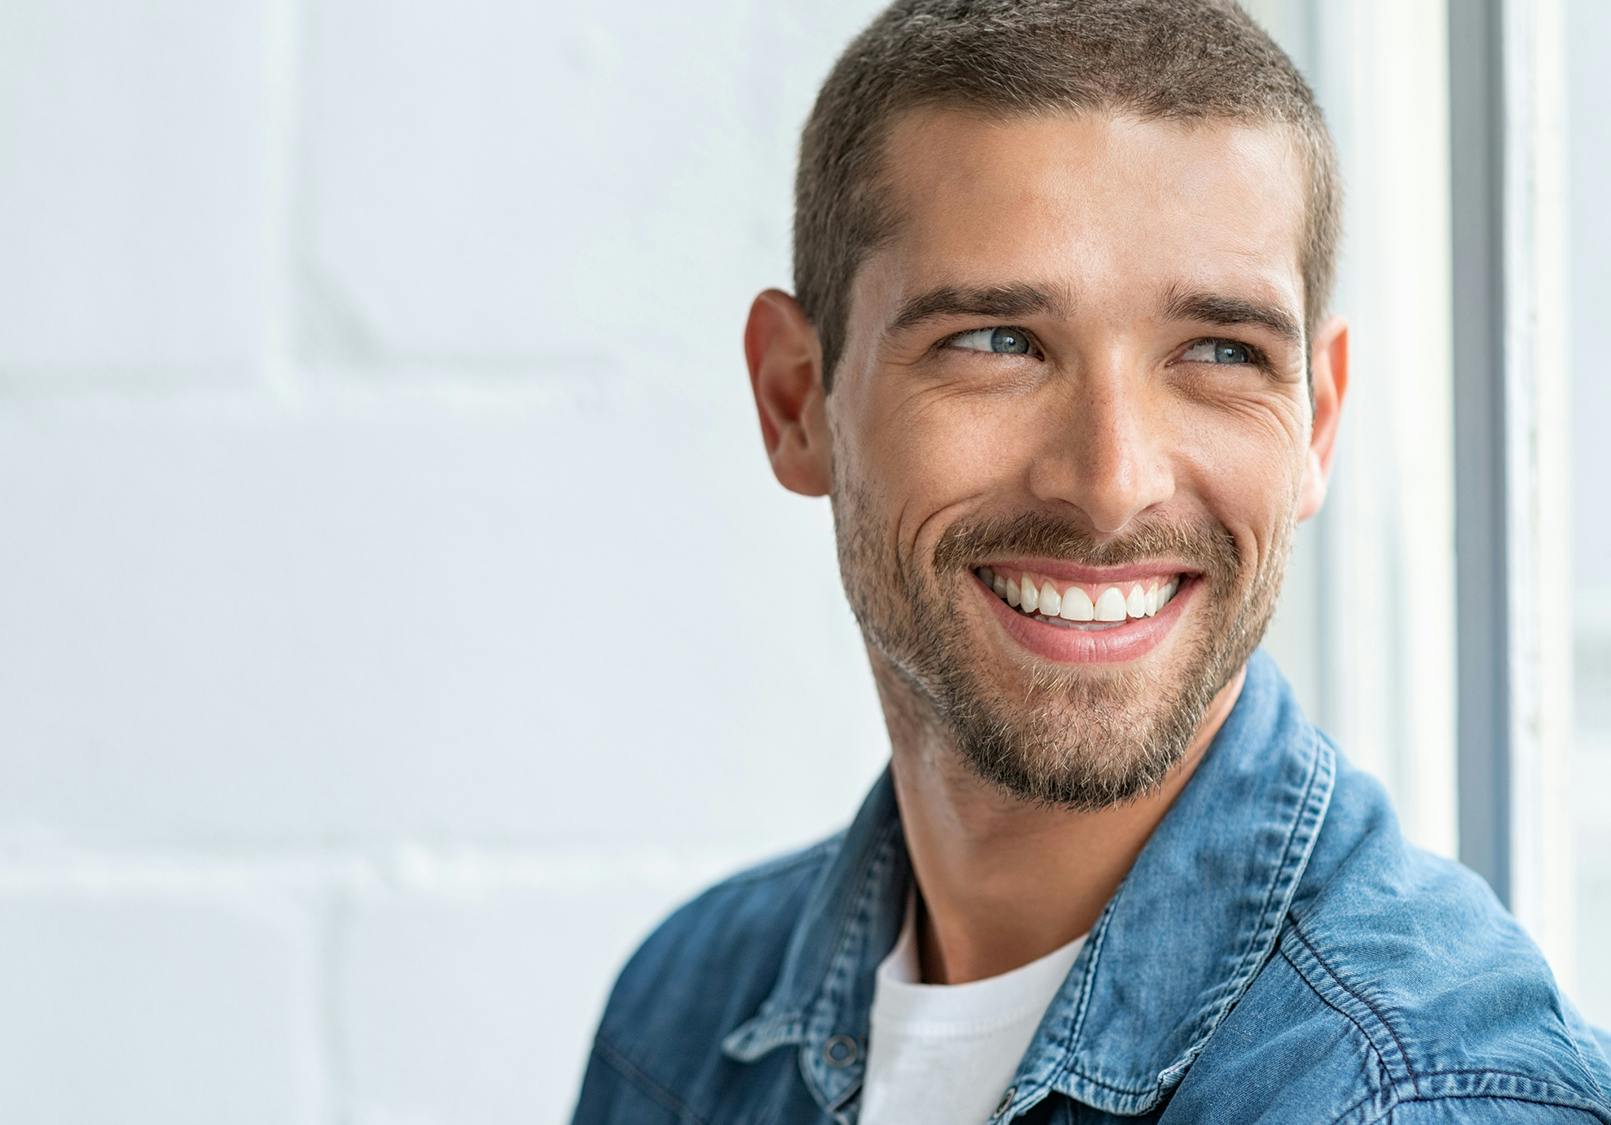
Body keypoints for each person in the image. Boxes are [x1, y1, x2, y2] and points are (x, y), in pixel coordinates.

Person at [570, 1, 1611, 1121]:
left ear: (1315, 422)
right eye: (996, 343)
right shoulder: (681, 1018)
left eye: (1220, 352)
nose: (1111, 484)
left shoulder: (1414, 1097)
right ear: (795, 401)